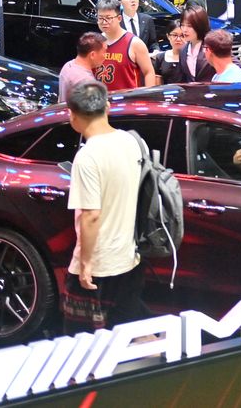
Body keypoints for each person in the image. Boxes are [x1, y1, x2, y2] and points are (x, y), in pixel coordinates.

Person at [63, 80, 148, 331]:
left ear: (72, 115)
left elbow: (91, 215)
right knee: (124, 336)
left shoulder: (87, 157)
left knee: (81, 340)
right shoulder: (132, 141)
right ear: (107, 107)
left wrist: (85, 265)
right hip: (129, 259)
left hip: (100, 265)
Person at [93, 0, 156, 90]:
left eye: (108, 18)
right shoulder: (94, 43)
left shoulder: (134, 43)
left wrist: (148, 94)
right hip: (101, 97)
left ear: (119, 18)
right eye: (100, 18)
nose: (104, 22)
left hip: (128, 97)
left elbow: (149, 72)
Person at [60, 33, 107, 102]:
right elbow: (92, 108)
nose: (105, 55)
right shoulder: (88, 83)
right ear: (92, 55)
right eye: (104, 51)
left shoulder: (68, 65)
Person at [177, 6, 214, 83]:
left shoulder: (213, 45)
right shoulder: (183, 50)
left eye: (189, 26)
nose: (185, 30)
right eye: (182, 25)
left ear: (200, 25)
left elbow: (233, 67)